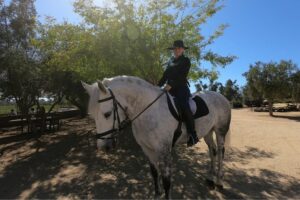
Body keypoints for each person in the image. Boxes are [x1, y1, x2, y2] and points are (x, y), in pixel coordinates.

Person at [158, 40, 199, 147]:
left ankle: (192, 134)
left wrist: (170, 84)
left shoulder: (186, 61)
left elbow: (182, 76)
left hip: (181, 88)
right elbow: (165, 75)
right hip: (169, 89)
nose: (177, 50)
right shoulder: (170, 61)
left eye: (179, 48)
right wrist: (157, 87)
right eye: (175, 48)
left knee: (183, 105)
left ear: (183, 50)